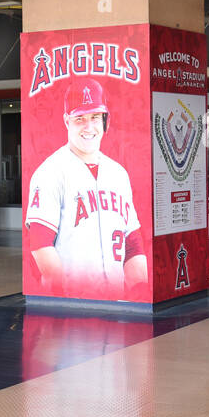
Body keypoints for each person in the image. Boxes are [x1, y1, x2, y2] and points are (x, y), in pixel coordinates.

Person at [25, 77, 148, 300]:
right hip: (70, 304)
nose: (89, 127)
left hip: (116, 299)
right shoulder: (50, 172)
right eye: (80, 118)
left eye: (94, 117)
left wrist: (139, 291)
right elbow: (40, 244)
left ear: (105, 121)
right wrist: (64, 298)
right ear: (66, 121)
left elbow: (132, 243)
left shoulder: (118, 173)